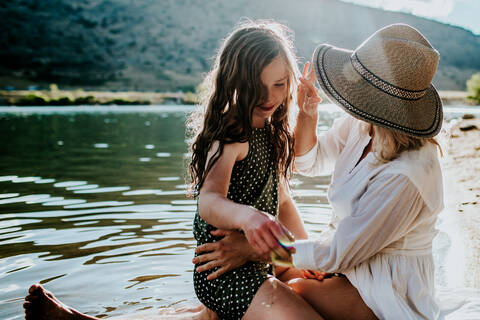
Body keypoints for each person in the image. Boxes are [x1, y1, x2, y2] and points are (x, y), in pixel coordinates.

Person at [196, 23, 445, 319]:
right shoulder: (364, 124)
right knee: (293, 287)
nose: (351, 96)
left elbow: (335, 252)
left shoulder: (407, 175)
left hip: (381, 283)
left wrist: (256, 250)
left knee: (297, 291)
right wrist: (308, 115)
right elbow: (307, 162)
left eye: (278, 84)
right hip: (327, 261)